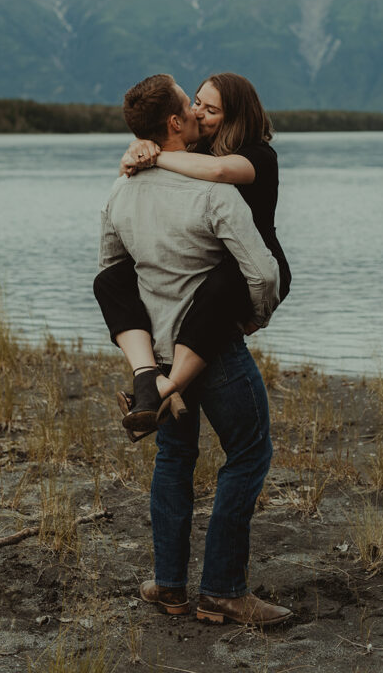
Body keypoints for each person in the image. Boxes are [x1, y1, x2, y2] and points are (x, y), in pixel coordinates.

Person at [95, 73, 291, 626]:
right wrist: (255, 316)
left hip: (155, 348)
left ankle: (172, 587)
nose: (200, 112)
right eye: (191, 105)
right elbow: (263, 273)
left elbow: (112, 270)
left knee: (176, 458)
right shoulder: (215, 194)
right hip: (215, 350)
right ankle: (224, 589)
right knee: (249, 453)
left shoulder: (121, 188)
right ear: (176, 123)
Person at [94, 71, 290, 435]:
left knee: (223, 280)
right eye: (195, 103)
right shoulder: (196, 152)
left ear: (235, 117)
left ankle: (161, 387)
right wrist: (141, 150)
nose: (197, 113)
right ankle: (156, 386)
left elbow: (216, 171)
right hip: (208, 293)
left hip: (246, 274)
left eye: (209, 109)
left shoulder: (256, 157)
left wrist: (154, 155)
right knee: (109, 280)